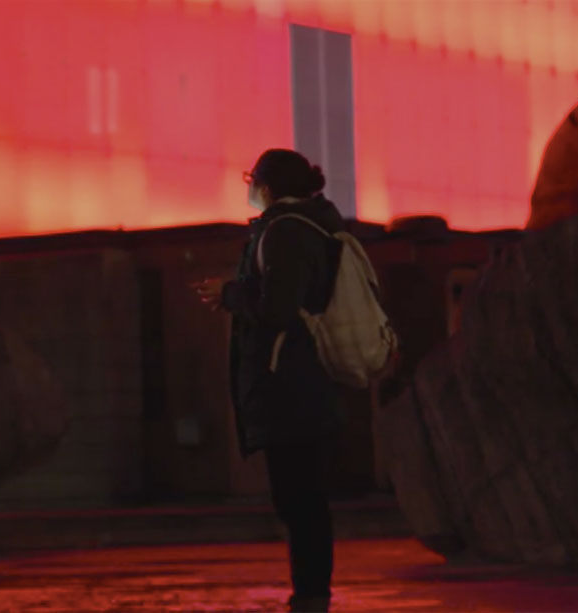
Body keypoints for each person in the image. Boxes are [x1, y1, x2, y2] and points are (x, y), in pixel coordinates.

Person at [193, 148, 345, 613]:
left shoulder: (285, 232)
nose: (248, 188)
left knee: (299, 500)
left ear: (268, 186)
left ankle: (311, 596)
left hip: (288, 381)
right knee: (305, 498)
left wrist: (230, 293)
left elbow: (278, 308)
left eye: (251, 180)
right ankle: (312, 593)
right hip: (308, 378)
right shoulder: (316, 225)